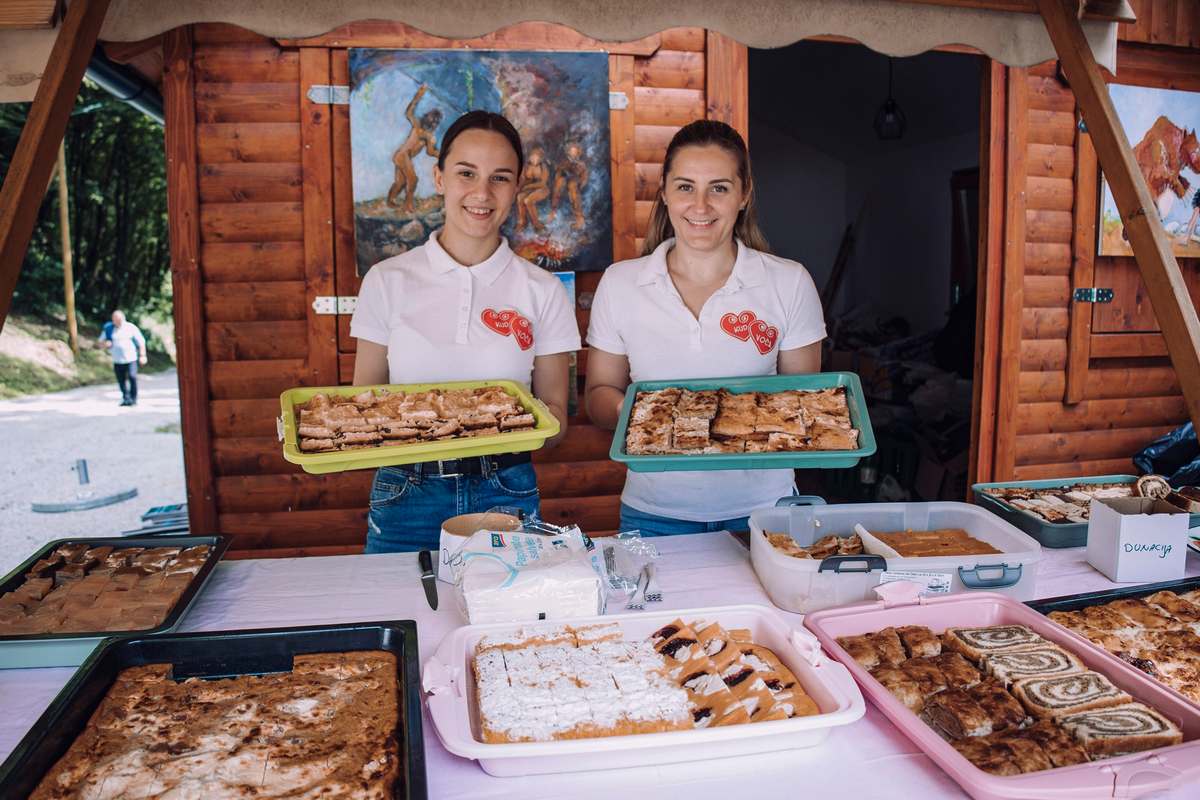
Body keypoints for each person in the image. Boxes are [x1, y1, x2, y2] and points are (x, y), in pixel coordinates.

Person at [351, 110, 581, 553]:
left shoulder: (543, 290)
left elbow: (556, 422)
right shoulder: (386, 280)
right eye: (466, 173)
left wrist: (506, 426)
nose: (482, 193)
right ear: (439, 178)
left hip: (505, 488)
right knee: (401, 600)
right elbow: (366, 403)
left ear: (517, 187)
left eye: (500, 178)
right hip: (405, 490)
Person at [585, 120, 826, 535]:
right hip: (653, 513)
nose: (700, 206)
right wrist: (641, 412)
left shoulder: (789, 282)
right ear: (664, 192)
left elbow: (803, 405)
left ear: (744, 194)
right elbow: (598, 396)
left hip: (766, 512)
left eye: (719, 188)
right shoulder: (620, 283)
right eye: (685, 187)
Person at [386, 84, 443, 213]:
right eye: (432, 118)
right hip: (402, 155)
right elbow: (409, 112)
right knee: (413, 179)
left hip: (404, 157)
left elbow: (430, 152)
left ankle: (390, 201)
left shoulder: (429, 136)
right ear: (426, 116)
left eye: (435, 121)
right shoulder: (417, 126)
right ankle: (408, 204)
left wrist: (443, 154)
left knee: (400, 183)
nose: (433, 121)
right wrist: (419, 94)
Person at [100, 310, 147, 407]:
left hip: (131, 359)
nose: (117, 321)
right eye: (115, 319)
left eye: (119, 319)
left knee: (132, 377)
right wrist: (106, 344)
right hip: (117, 360)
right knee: (121, 380)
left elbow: (141, 341)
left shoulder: (130, 327)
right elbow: (100, 342)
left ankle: (133, 399)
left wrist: (142, 355)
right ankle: (126, 398)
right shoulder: (109, 329)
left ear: (123, 318)